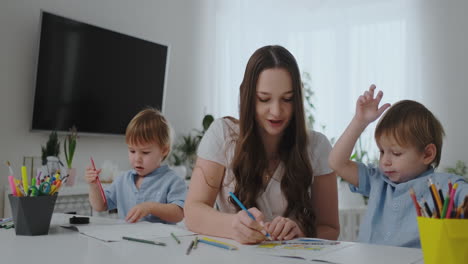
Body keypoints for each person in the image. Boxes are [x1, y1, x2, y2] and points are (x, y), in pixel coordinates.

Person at [184, 45, 339, 244]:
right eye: (264, 99)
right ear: (248, 98)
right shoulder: (222, 135)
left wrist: (301, 231)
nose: (276, 111)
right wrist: (233, 225)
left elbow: (331, 228)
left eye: (287, 99)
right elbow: (193, 211)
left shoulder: (317, 146)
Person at [328, 85, 468, 248]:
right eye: (381, 151)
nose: (385, 161)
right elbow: (336, 163)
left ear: (427, 154)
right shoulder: (376, 180)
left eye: (396, 153)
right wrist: (360, 121)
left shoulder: (448, 187)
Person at [84, 108, 186, 224]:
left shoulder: (173, 180)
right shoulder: (123, 179)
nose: (137, 159)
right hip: (126, 239)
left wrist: (150, 207)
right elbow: (100, 206)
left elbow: (178, 214)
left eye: (145, 152)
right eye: (132, 151)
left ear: (164, 150)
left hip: (160, 241)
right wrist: (93, 186)